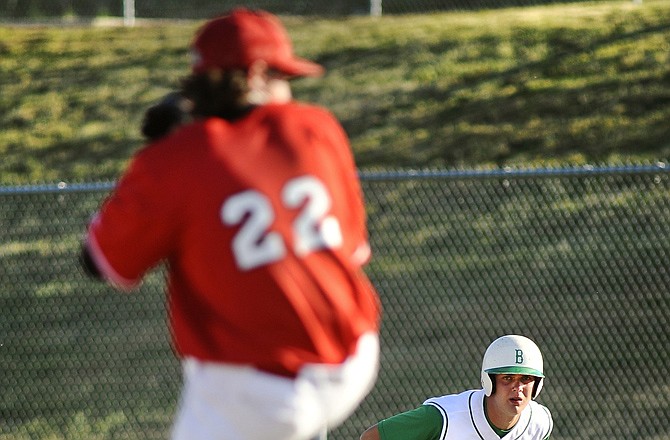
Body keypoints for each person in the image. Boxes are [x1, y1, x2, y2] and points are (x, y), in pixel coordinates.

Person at [80, 8, 381, 440]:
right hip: (354, 357)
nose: (288, 91)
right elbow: (353, 252)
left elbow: (100, 261)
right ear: (257, 73)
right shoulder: (317, 127)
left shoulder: (176, 159)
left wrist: (157, 155)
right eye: (284, 77)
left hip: (254, 393)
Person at [360, 335, 553, 440]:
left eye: (526, 378)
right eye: (507, 378)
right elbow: (371, 438)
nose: (517, 387)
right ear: (489, 381)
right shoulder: (444, 418)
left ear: (537, 385)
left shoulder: (538, 423)